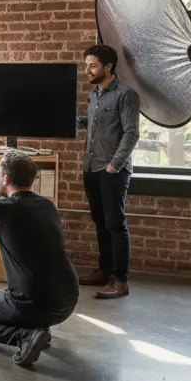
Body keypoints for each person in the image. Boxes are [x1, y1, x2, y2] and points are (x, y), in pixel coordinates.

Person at [0, 150, 78, 367]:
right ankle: (35, 329)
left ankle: (24, 337)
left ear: (5, 179)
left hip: (31, 303)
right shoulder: (47, 205)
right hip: (67, 300)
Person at [76, 43, 140, 299]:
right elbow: (91, 124)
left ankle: (120, 280)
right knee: (100, 221)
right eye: (86, 65)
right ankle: (104, 271)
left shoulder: (126, 94)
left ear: (108, 67)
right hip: (91, 167)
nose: (87, 70)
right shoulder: (95, 94)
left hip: (112, 170)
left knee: (115, 224)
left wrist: (114, 165)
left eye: (92, 66)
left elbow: (131, 133)